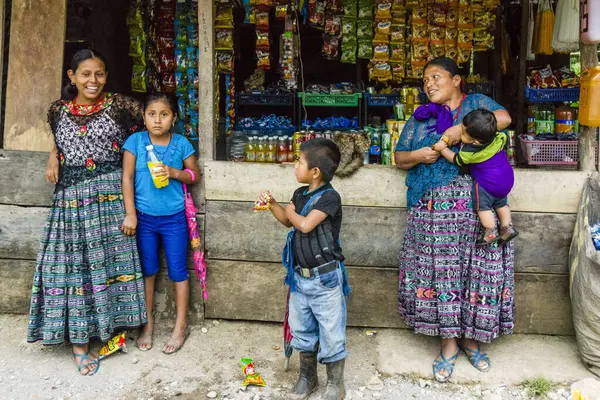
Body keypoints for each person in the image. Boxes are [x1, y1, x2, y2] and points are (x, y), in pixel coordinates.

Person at [394, 57, 515, 383]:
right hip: (433, 217)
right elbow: (399, 156)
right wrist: (420, 155)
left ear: (457, 80)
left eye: (436, 77)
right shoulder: (419, 118)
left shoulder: (476, 104)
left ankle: (472, 342)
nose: (429, 84)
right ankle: (449, 345)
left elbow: (504, 117)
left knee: (478, 276)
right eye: (425, 80)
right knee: (441, 279)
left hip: (478, 210)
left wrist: (460, 131)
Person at [28, 49, 147, 376]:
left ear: (106, 76)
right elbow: (60, 138)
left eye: (99, 74)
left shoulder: (121, 106)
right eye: (85, 74)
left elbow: (152, 124)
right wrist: (54, 154)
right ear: (72, 76)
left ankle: (112, 330)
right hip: (70, 201)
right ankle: (79, 343)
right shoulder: (58, 110)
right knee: (71, 268)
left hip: (111, 197)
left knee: (109, 265)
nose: (93, 81)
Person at [258, 138, 349, 400]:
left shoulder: (330, 197)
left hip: (326, 279)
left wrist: (290, 212)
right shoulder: (299, 194)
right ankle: (307, 377)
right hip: (300, 278)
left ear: (315, 172)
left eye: (299, 162)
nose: (295, 167)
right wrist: (274, 204)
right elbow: (289, 222)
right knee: (303, 329)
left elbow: (306, 224)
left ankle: (335, 384)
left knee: (331, 331)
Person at [122, 93, 200, 355]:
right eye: (151, 114)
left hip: (175, 219)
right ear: (143, 116)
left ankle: (180, 326)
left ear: (174, 117)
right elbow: (127, 179)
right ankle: (148, 325)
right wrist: (130, 214)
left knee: (179, 271)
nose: (157, 120)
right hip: (144, 219)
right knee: (148, 271)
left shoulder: (180, 144)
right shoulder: (135, 142)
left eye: (164, 114)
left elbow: (194, 174)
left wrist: (174, 172)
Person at [433, 108, 518, 245]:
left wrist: (443, 149)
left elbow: (457, 159)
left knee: (483, 207)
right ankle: (507, 228)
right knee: (501, 203)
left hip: (488, 183)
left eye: (463, 133)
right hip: (506, 179)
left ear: (476, 142)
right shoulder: (499, 136)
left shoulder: (471, 151)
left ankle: (490, 231)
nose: (460, 133)